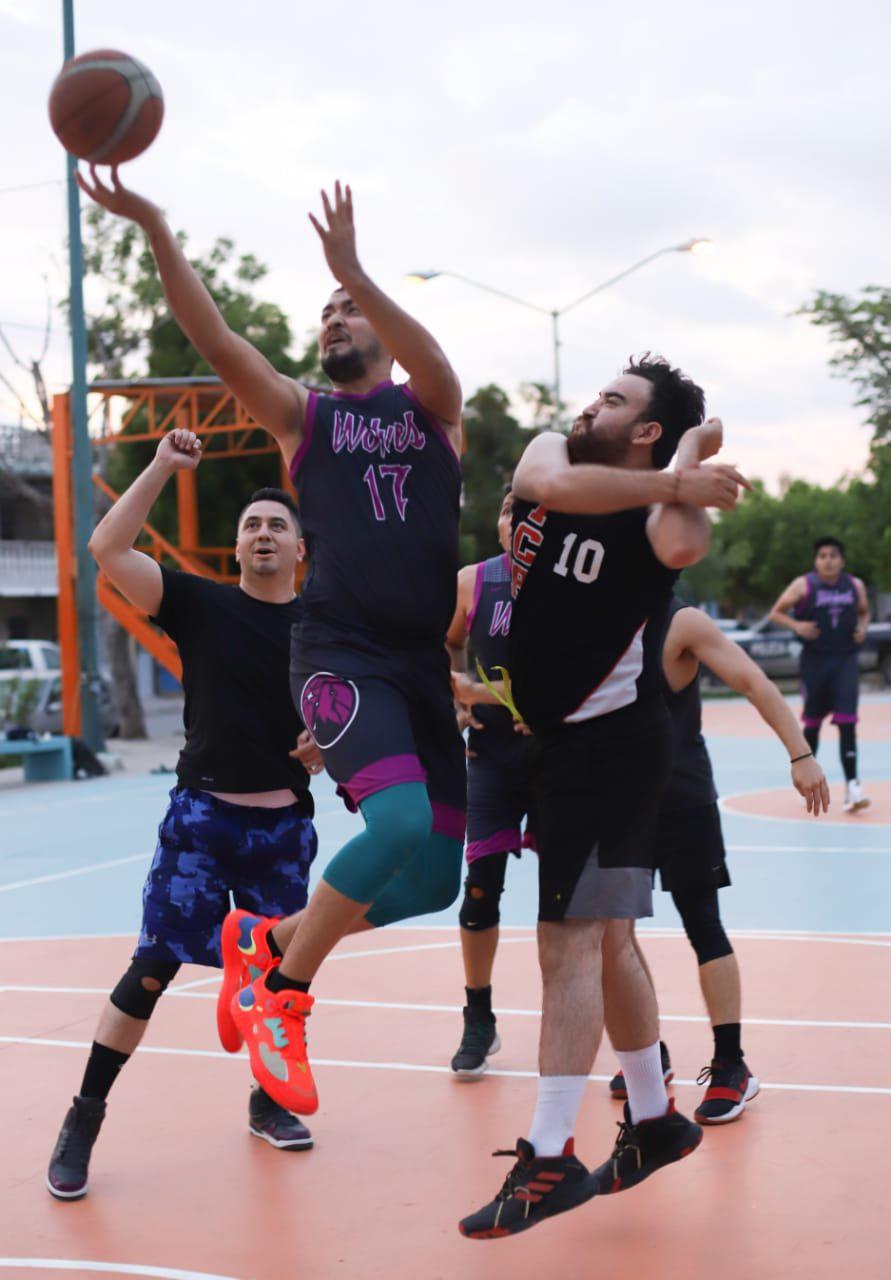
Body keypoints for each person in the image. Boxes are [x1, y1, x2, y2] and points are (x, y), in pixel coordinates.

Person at [77, 170, 467, 1118]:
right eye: (325, 311)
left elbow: (438, 364)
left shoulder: (434, 412)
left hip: (417, 661)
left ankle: (270, 943)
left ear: (380, 324)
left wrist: (356, 272)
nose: (334, 319)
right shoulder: (305, 417)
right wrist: (157, 224)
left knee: (430, 885)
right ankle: (284, 996)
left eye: (349, 311)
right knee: (400, 828)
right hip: (337, 648)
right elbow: (214, 337)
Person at [459, 357, 750, 1240]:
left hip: (610, 748)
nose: (593, 403)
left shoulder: (658, 514)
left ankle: (550, 1153)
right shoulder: (555, 449)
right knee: (610, 938)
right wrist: (681, 466)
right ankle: (657, 1117)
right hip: (551, 747)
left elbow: (685, 543)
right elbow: (541, 478)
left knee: (568, 942)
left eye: (616, 400)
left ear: (649, 428)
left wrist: (690, 457)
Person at [47, 429, 323, 1200]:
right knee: (151, 969)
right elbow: (106, 547)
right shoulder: (200, 605)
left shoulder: (327, 629)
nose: (263, 534)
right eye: (251, 527)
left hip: (283, 832)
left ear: (301, 550)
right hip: (201, 821)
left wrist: (333, 747)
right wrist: (164, 466)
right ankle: (84, 1116)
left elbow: (360, 716)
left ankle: (268, 1102)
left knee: (280, 980)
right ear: (236, 551)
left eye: (277, 526)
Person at [606, 597, 829, 1125]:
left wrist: (800, 754)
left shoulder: (682, 621)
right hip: (614, 800)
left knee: (702, 923)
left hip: (679, 796)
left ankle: (731, 1064)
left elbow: (754, 682)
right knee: (612, 934)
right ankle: (647, 1055)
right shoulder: (598, 613)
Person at [446, 488, 535, 1078]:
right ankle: (479, 1016)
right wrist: (456, 693)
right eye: (507, 510)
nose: (515, 521)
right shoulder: (474, 581)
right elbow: (448, 643)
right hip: (494, 754)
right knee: (480, 888)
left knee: (576, 904)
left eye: (529, 513)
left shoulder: (575, 583)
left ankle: (613, 1030)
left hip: (562, 756)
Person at [769, 537, 870, 812]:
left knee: (848, 721)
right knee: (812, 724)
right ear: (816, 561)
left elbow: (864, 612)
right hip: (815, 662)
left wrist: (863, 627)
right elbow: (775, 613)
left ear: (842, 560)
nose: (828, 560)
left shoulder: (854, 585)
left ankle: (853, 786)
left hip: (845, 660)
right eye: (822, 555)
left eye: (833, 555)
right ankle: (808, 781)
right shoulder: (803, 584)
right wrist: (797, 625)